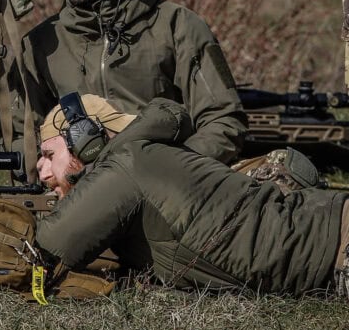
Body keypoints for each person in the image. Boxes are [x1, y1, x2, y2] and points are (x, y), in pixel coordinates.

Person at [31, 93, 349, 297]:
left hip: (337, 245)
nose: (40, 168)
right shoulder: (140, 156)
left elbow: (53, 245)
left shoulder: (125, 164)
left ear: (86, 139)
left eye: (48, 154)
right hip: (330, 235)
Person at [0, 0, 247, 170]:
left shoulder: (178, 27)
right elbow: (19, 137)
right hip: (75, 197)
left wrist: (173, 173)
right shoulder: (42, 43)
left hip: (164, 189)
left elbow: (224, 122)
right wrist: (55, 172)